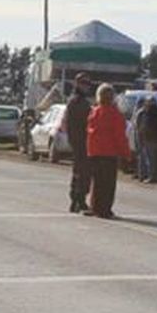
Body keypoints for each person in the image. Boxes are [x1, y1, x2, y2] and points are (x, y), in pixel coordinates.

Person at [84, 83, 129, 219]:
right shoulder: (115, 114)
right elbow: (120, 136)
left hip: (95, 152)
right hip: (109, 153)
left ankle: (95, 207)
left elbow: (90, 133)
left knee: (97, 182)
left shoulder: (95, 112)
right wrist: (126, 153)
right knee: (108, 183)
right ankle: (105, 209)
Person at [65, 74, 93, 213]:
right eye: (84, 83)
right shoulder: (77, 102)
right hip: (81, 142)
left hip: (80, 141)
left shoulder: (79, 101)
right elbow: (78, 124)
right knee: (83, 173)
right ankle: (79, 200)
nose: (86, 86)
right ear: (78, 84)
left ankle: (77, 200)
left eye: (87, 83)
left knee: (79, 172)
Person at [139, 97, 157, 185]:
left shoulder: (148, 113)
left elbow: (145, 126)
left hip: (150, 138)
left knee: (151, 159)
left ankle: (153, 177)